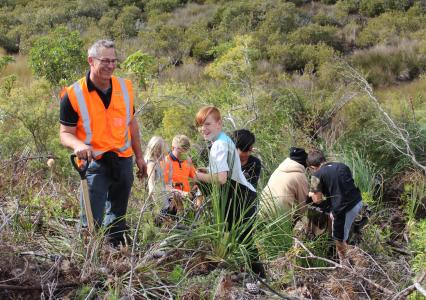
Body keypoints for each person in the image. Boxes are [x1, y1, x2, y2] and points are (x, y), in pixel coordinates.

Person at [59, 39, 147, 245]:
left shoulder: (125, 87)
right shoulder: (73, 94)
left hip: (123, 160)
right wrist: (78, 145)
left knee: (118, 217)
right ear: (91, 60)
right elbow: (65, 133)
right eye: (105, 60)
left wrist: (140, 157)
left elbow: (131, 123)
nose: (110, 65)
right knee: (91, 220)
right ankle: (91, 259)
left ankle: (114, 255)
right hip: (93, 164)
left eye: (114, 61)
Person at [194, 106, 265, 279]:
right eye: (201, 124)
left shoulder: (218, 145)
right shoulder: (224, 140)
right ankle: (229, 272)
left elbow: (221, 179)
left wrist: (193, 174)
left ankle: (259, 278)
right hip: (236, 195)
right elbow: (223, 170)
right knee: (233, 236)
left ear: (219, 124)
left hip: (241, 196)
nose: (204, 128)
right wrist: (205, 170)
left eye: (208, 124)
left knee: (244, 239)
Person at [307, 149, 363, 263]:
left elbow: (317, 200)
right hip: (358, 201)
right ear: (324, 159)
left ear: (312, 167)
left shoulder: (316, 175)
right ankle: (351, 252)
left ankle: (347, 266)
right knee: (343, 231)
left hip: (344, 209)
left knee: (338, 238)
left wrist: (311, 193)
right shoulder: (342, 166)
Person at [261, 147, 308, 221]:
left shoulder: (278, 169)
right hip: (280, 217)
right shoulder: (300, 176)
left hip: (262, 208)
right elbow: (303, 203)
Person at [144, 136, 170, 206]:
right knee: (165, 214)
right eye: (162, 151)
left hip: (164, 194)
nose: (164, 155)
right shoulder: (151, 164)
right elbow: (151, 177)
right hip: (158, 197)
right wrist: (151, 188)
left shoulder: (158, 162)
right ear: (156, 151)